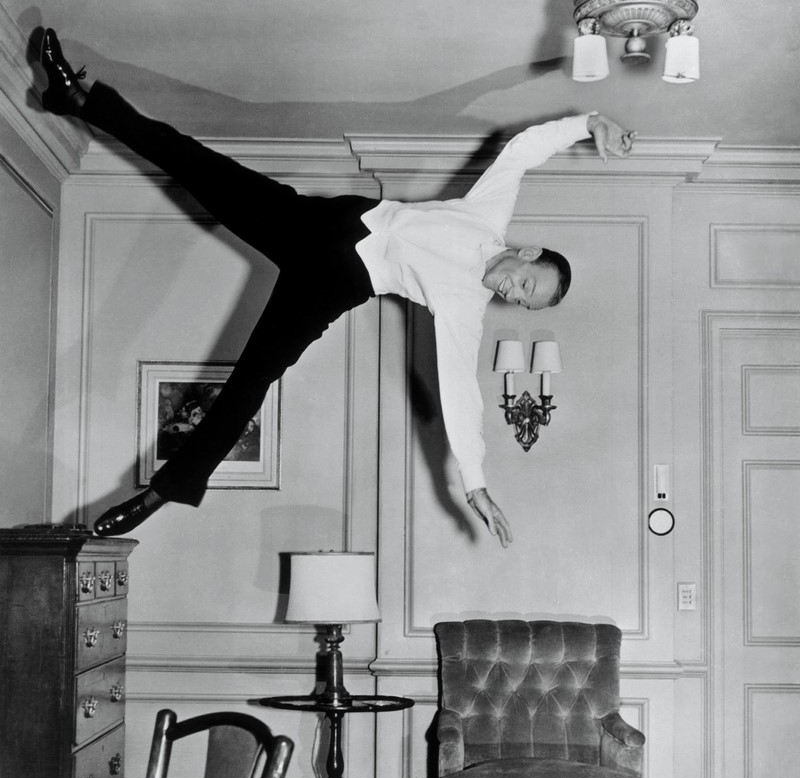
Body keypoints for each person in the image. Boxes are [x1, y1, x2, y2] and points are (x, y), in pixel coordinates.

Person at [38, 28, 635, 546]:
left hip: (335, 283)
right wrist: (588, 123)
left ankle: (160, 494)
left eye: (524, 301)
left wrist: (476, 484)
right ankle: (77, 98)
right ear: (527, 253)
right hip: (321, 223)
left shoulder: (465, 309)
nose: (515, 293)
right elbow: (523, 150)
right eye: (528, 281)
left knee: (252, 382)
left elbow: (463, 397)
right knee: (198, 165)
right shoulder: (488, 215)